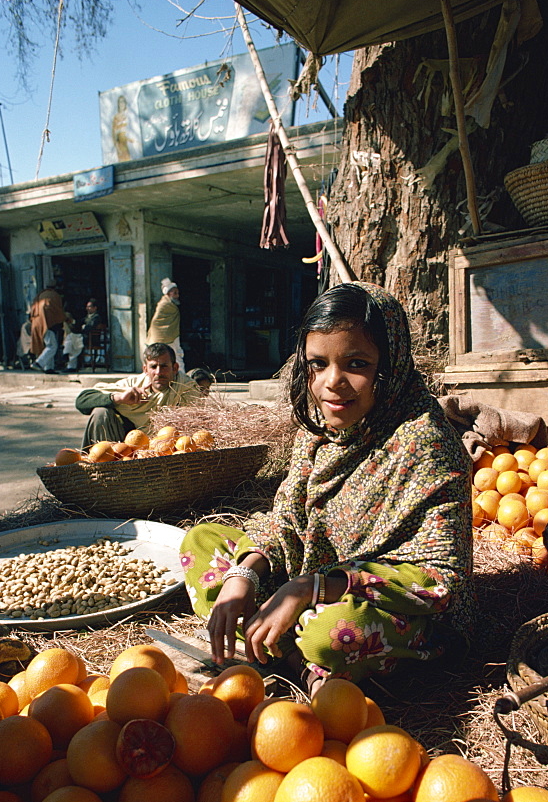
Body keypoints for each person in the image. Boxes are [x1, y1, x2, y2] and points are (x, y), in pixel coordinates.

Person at [179, 282, 474, 694]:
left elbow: (441, 579)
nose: (331, 382)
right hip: (306, 585)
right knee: (202, 540)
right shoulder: (320, 431)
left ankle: (294, 649)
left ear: (391, 365)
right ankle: (282, 640)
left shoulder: (427, 447)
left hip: (390, 608)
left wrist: (316, 587)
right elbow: (285, 519)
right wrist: (245, 573)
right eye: (318, 364)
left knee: (333, 634)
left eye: (356, 363)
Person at [75, 342, 203, 449]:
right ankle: (100, 469)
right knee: (100, 413)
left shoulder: (187, 388)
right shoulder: (133, 384)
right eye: (153, 367)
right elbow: (82, 400)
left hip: (167, 450)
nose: (158, 372)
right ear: (145, 369)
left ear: (175, 368)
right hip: (124, 448)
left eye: (164, 366)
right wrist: (119, 398)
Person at [147, 278, 185, 373]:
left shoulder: (171, 305)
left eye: (177, 293)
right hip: (164, 336)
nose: (177, 296)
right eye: (175, 293)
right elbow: (158, 322)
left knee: (177, 356)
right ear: (168, 294)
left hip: (173, 335)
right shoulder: (164, 305)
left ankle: (182, 378)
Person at [29, 285, 68, 373]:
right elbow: (58, 312)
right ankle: (39, 362)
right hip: (47, 323)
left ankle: (48, 368)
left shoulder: (40, 295)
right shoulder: (54, 296)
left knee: (47, 345)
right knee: (52, 346)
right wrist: (66, 319)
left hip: (37, 323)